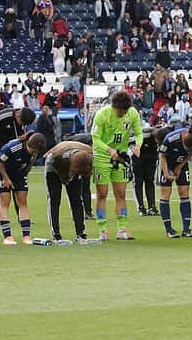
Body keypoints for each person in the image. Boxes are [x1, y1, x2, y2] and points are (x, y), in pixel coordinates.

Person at [91, 91, 143, 241]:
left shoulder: (132, 113)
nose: (122, 113)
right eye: (120, 110)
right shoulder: (102, 114)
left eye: (125, 111)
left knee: (121, 193)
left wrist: (138, 145)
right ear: (114, 107)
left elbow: (139, 132)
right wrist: (109, 150)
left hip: (121, 157)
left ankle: (122, 229)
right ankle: (102, 229)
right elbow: (95, 138)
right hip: (102, 156)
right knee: (102, 194)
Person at [0, 132, 46, 245]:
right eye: (32, 151)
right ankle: (7, 237)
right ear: (27, 143)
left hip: (19, 173)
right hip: (3, 171)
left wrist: (26, 171)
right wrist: (5, 178)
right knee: (5, 201)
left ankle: (26, 236)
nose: (34, 153)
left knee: (22, 200)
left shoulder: (35, 151)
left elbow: (32, 160)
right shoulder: (12, 148)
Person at [0, 106, 35, 221]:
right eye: (21, 122)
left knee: (17, 182)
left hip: (13, 155)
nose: (22, 125)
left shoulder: (23, 123)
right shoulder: (3, 117)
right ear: (18, 115)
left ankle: (21, 215)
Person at [157, 127, 192, 238]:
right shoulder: (170, 139)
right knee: (165, 194)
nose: (188, 150)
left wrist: (180, 166)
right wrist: (167, 173)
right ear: (183, 142)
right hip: (166, 163)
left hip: (181, 163)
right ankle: (169, 230)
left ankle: (186, 229)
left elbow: (190, 153)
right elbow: (162, 155)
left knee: (184, 193)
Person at [44, 140, 93, 242]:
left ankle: (81, 233)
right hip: (53, 167)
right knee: (54, 199)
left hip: (75, 164)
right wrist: (66, 177)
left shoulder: (89, 155)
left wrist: (74, 175)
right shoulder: (58, 157)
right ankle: (55, 233)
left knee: (76, 200)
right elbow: (59, 169)